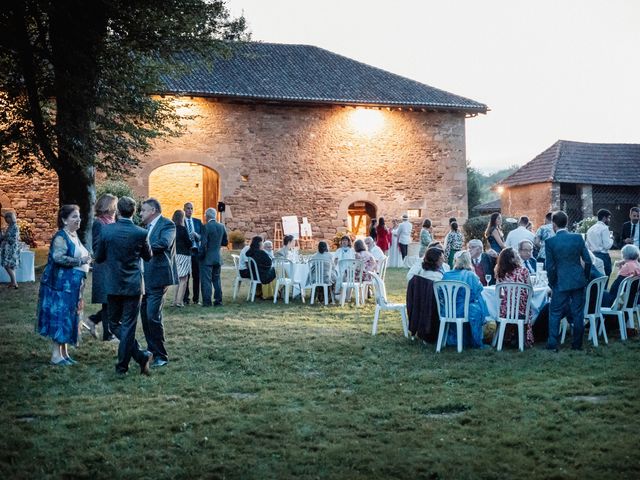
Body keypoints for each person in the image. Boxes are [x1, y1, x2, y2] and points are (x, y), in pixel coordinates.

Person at [95, 197, 153, 375]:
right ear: (134, 212)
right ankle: (139, 356)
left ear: (118, 211)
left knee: (114, 324)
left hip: (113, 283)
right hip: (133, 285)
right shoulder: (141, 233)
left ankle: (123, 366)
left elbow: (98, 257)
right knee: (127, 324)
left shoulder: (107, 231)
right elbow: (148, 256)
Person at [36, 205, 92, 365]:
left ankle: (64, 353)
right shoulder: (61, 237)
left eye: (79, 216)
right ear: (64, 220)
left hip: (73, 286)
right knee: (60, 317)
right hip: (61, 286)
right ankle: (55, 355)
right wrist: (80, 261)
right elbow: (58, 257)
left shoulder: (74, 235)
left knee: (69, 317)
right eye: (74, 216)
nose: (78, 219)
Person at [545, 210, 592, 351]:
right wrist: (585, 277)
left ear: (553, 224)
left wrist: (552, 283)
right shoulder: (578, 238)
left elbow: (550, 267)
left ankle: (553, 344)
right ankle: (577, 345)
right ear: (567, 222)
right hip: (578, 280)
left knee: (554, 313)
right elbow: (588, 261)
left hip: (560, 282)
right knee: (578, 313)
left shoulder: (550, 242)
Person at [140, 198, 178, 368]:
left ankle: (161, 355)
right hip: (144, 278)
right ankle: (151, 351)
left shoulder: (167, 225)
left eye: (143, 210)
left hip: (159, 276)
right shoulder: (145, 228)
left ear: (153, 210)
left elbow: (164, 243)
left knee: (152, 316)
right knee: (145, 316)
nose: (140, 213)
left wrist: (140, 248)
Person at [84, 193, 117, 340]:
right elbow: (96, 247)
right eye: (114, 205)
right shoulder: (99, 223)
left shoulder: (112, 221)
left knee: (112, 301)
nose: (116, 208)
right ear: (108, 206)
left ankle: (93, 320)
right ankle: (108, 335)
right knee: (108, 302)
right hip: (104, 267)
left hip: (112, 267)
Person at [441, 250, 489, 349]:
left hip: (448, 310)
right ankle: (476, 339)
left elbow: (441, 293)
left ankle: (457, 338)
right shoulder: (470, 275)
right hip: (464, 310)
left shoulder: (446, 275)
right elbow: (476, 292)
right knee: (478, 302)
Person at [494, 247, 534, 348]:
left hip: (505, 311)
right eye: (516, 255)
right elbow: (531, 292)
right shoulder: (524, 271)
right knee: (529, 308)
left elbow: (498, 294)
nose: (519, 257)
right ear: (512, 259)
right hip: (522, 311)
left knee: (504, 305)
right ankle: (522, 338)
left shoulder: (500, 272)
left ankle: (507, 337)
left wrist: (509, 297)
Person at [406, 247, 444, 342]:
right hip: (435, 307)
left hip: (421, 306)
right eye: (441, 258)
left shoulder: (421, 273)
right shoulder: (437, 276)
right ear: (436, 260)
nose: (443, 260)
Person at [199, 207, 228, 307]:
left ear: (207, 216)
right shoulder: (221, 226)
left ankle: (207, 302)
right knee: (217, 280)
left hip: (207, 258)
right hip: (217, 257)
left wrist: (200, 255)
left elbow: (203, 244)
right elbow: (225, 242)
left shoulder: (206, 227)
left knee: (206, 280)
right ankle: (218, 301)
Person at [171, 209, 192, 307]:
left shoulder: (172, 228)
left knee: (177, 279)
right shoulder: (183, 229)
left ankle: (175, 300)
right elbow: (188, 243)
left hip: (175, 254)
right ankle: (179, 301)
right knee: (184, 279)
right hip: (184, 255)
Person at [183, 202, 202, 305]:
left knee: (197, 276)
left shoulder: (197, 222)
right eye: (188, 208)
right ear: (184, 209)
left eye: (191, 208)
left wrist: (197, 236)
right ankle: (186, 299)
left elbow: (203, 236)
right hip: (186, 252)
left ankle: (196, 299)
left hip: (196, 251)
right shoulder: (181, 222)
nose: (190, 210)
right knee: (186, 275)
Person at [586, 208, 613, 280]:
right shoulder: (604, 228)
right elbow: (607, 246)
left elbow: (587, 245)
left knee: (595, 278)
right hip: (603, 255)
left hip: (592, 255)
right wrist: (612, 239)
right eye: (609, 218)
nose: (609, 220)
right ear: (604, 218)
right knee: (605, 277)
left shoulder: (590, 229)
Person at [0, 211, 21, 289]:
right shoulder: (10, 226)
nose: (6, 219)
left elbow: (14, 239)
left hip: (11, 248)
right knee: (10, 265)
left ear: (11, 218)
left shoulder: (15, 227)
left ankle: (15, 283)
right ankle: (13, 282)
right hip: (8, 248)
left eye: (7, 218)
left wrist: (5, 237)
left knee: (7, 265)